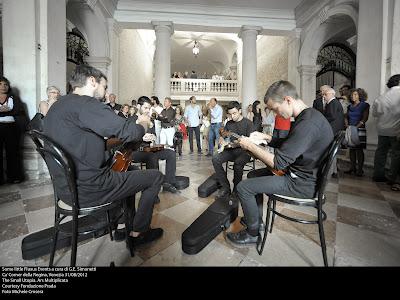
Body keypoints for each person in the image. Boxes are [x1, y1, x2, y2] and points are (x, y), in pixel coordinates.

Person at [43, 65, 164, 246]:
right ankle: (139, 233)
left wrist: (117, 140)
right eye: (105, 87)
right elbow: (131, 131)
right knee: (156, 177)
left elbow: (82, 142)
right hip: (90, 188)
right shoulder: (85, 103)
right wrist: (144, 124)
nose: (106, 93)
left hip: (65, 190)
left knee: (127, 169)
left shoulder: (58, 106)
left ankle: (125, 222)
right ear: (92, 81)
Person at [225, 80, 334, 246]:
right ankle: (256, 220)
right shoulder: (309, 115)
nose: (276, 113)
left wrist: (249, 146)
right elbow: (293, 143)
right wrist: (267, 138)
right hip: (302, 175)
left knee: (243, 187)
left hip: (302, 183)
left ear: (288, 100)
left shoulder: (307, 124)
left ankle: (252, 233)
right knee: (253, 174)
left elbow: (278, 163)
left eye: (276, 108)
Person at [130, 96, 180, 193]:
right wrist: (141, 137)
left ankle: (169, 183)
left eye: (149, 108)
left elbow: (153, 134)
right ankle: (152, 191)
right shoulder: (132, 120)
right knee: (151, 157)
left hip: (149, 149)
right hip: (136, 151)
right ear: (138, 106)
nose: (147, 111)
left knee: (171, 154)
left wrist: (152, 137)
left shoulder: (150, 119)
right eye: (145, 108)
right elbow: (128, 138)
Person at [212, 101, 253, 200]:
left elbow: (250, 143)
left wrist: (235, 143)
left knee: (238, 164)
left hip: (245, 151)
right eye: (230, 114)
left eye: (234, 113)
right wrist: (221, 140)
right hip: (231, 149)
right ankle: (225, 187)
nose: (232, 116)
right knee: (215, 158)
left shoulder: (248, 123)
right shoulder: (229, 123)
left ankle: (236, 190)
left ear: (239, 111)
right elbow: (223, 135)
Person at [372, 74, 400, 191]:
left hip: (382, 129)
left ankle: (378, 175)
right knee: (396, 154)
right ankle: (393, 178)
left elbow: (375, 114)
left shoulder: (381, 97)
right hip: (396, 130)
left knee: (381, 152)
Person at [0, 76, 24, 184]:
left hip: (11, 127)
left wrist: (4, 111)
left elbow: (18, 110)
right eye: (0, 84)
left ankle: (14, 177)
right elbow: (12, 111)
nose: (3, 87)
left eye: (5, 84)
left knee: (13, 152)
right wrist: (4, 110)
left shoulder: (13, 98)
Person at [344, 88, 370, 176]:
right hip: (350, 128)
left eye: (355, 94)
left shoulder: (365, 105)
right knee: (351, 149)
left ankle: (360, 170)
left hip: (360, 129)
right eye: (351, 95)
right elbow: (346, 117)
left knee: (359, 150)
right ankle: (352, 168)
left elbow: (365, 118)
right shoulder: (349, 106)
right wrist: (347, 125)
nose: (353, 96)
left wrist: (355, 127)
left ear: (360, 95)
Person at [322, 87, 345, 178]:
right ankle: (333, 171)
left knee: (330, 151)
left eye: (326, 94)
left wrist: (321, 120)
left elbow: (331, 117)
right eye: (323, 94)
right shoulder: (334, 103)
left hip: (333, 130)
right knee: (332, 151)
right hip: (335, 130)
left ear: (332, 94)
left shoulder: (332, 103)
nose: (324, 96)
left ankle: (331, 171)